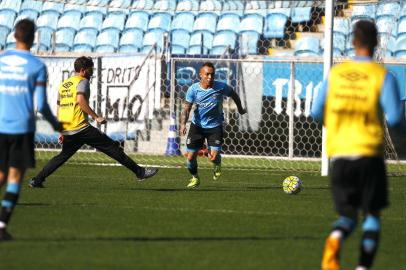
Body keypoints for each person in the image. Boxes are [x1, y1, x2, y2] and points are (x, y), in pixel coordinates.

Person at [311, 20, 405, 270]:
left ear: (353, 42)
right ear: (376, 43)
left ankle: (336, 236)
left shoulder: (336, 74)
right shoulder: (382, 76)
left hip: (340, 155)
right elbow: (395, 118)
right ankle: (363, 267)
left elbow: (316, 111)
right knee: (372, 215)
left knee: (347, 216)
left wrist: (338, 126)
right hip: (368, 155)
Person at [28, 56, 158, 188]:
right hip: (81, 128)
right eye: (91, 70)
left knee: (61, 157)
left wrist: (61, 130)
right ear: (83, 70)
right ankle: (140, 172)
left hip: (68, 128)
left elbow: (60, 107)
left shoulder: (64, 85)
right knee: (112, 148)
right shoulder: (82, 81)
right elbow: (80, 100)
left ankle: (37, 180)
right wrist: (96, 117)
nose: (92, 73)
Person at [0, 19, 62, 240]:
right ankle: (1, 226)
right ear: (33, 37)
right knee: (15, 177)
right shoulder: (37, 66)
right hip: (21, 129)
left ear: (14, 36)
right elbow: (41, 105)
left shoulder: (1, 60)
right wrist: (55, 125)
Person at [180, 62, 246, 188]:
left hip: (215, 126)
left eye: (212, 74)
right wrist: (183, 125)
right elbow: (187, 108)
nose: (210, 77)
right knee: (190, 157)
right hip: (197, 126)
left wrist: (240, 109)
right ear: (201, 75)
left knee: (213, 157)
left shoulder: (221, 87)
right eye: (207, 74)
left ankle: (217, 164)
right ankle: (195, 178)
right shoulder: (193, 89)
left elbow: (234, 94)